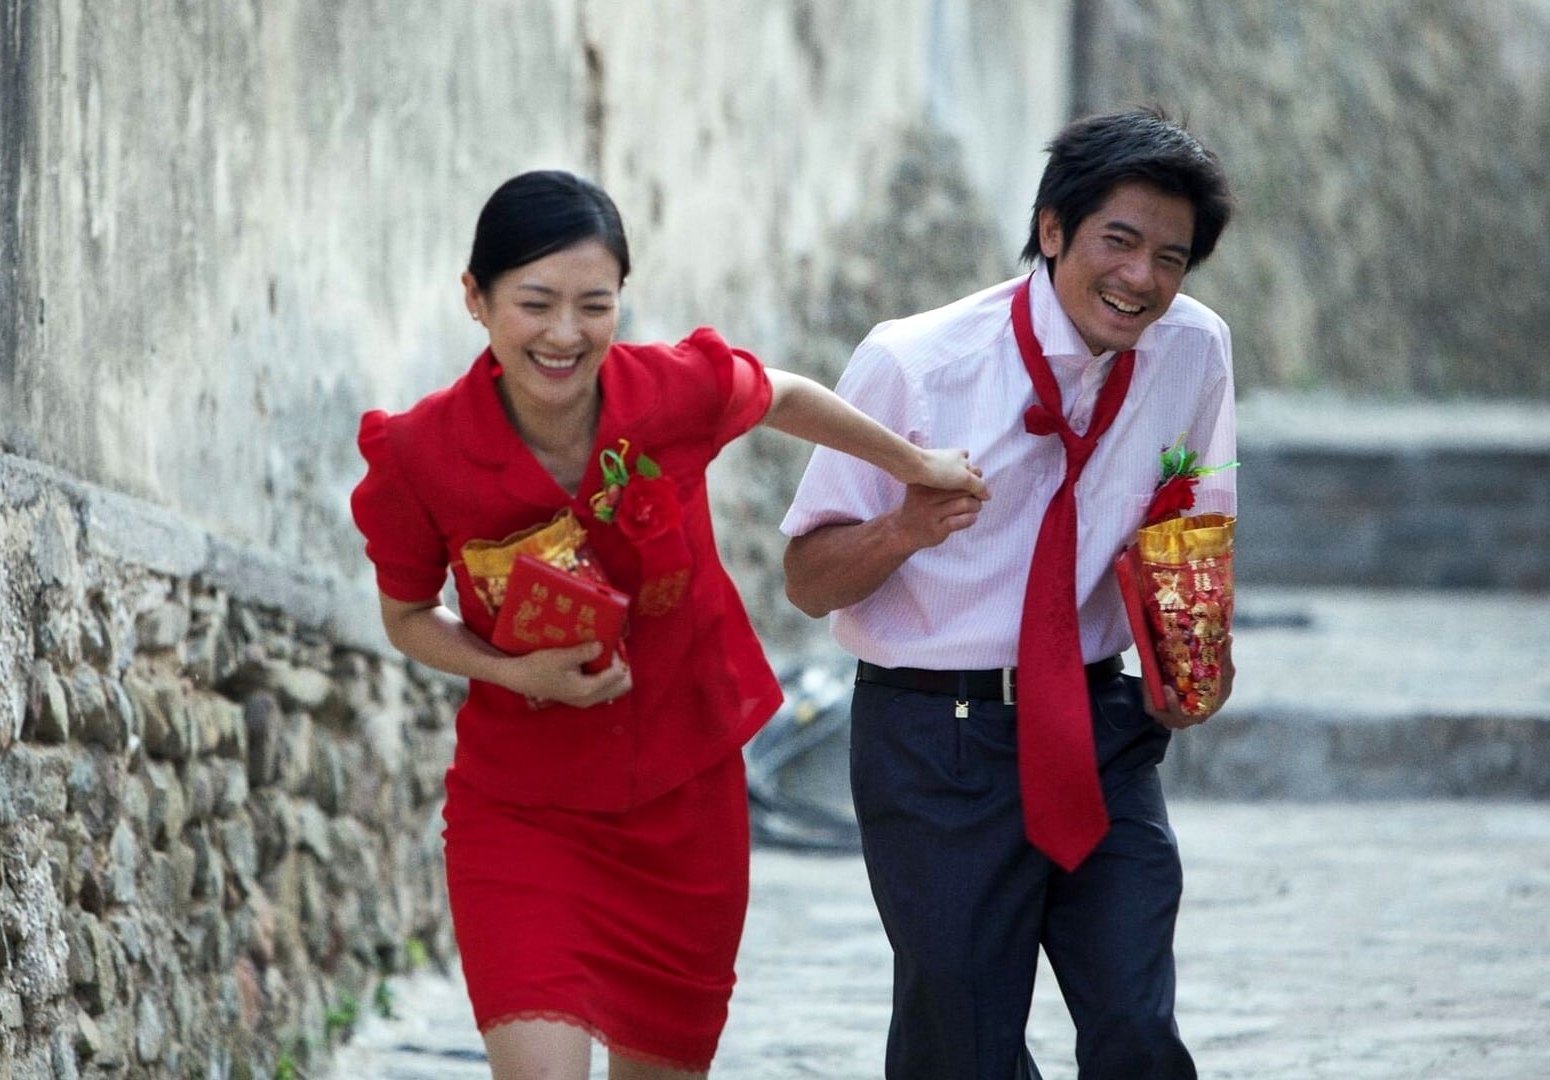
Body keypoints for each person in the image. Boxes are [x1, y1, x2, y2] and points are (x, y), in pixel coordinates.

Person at [349, 169, 984, 1080]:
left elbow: (781, 395)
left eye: (593, 305)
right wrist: (517, 674)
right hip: (524, 809)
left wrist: (912, 462)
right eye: (534, 303)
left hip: (686, 805)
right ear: (475, 300)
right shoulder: (421, 454)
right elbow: (409, 617)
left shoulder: (667, 392)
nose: (564, 334)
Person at [779, 108, 1238, 1079]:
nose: (1142, 278)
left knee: (1137, 1027)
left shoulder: (1194, 351)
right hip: (934, 737)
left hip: (1099, 723)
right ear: (1051, 229)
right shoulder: (914, 364)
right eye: (1119, 241)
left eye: (1171, 257)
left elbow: (1192, 518)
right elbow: (806, 580)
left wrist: (1192, 653)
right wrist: (904, 528)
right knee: (964, 1050)